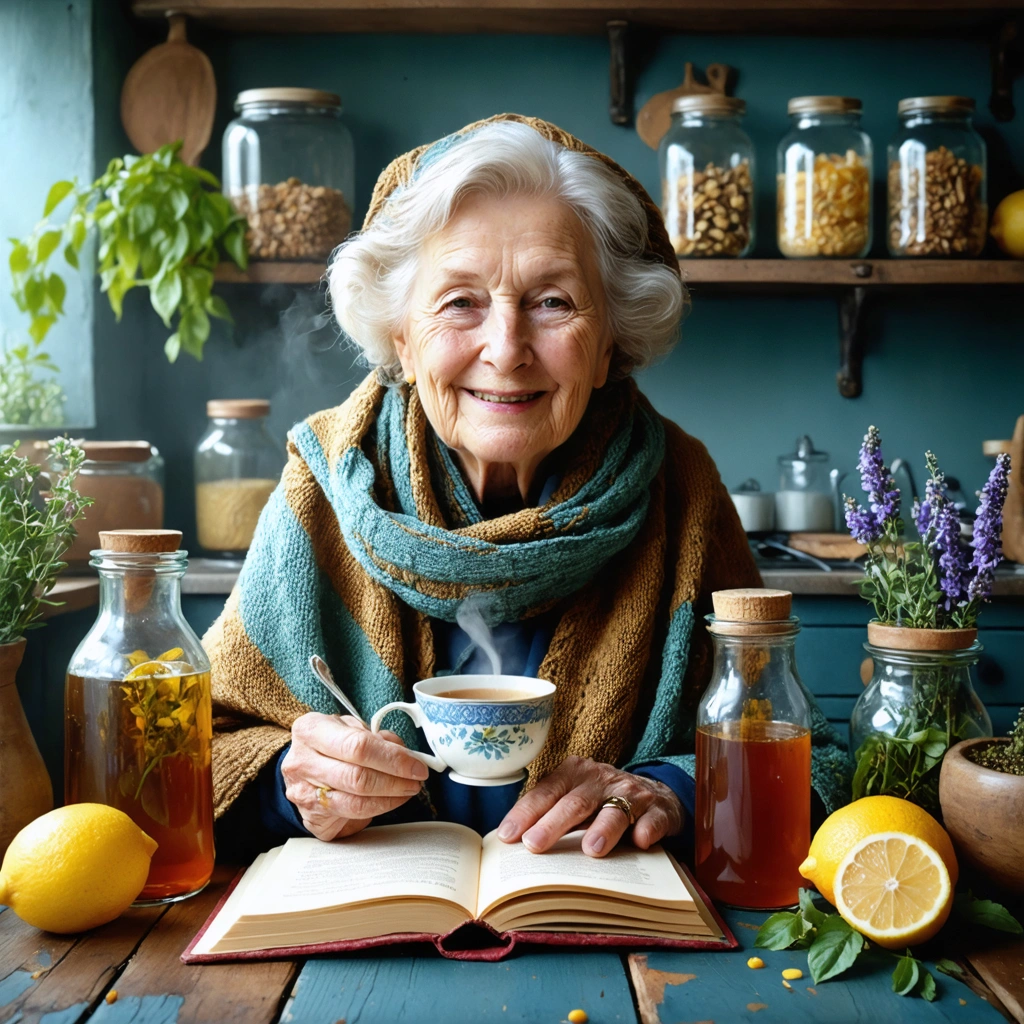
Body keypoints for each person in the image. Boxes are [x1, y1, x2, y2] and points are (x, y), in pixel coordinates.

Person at [205, 114, 850, 860]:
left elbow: (813, 766)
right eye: (460, 303)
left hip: (614, 945)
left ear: (608, 342)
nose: (506, 350)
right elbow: (196, 758)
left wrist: (672, 787)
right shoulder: (324, 484)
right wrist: (292, 781)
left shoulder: (683, 488)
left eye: (552, 301)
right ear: (403, 341)